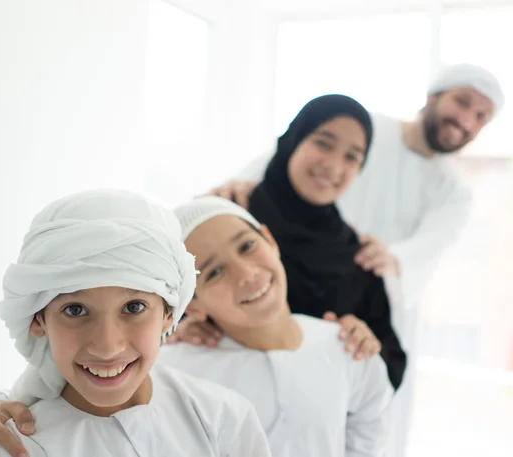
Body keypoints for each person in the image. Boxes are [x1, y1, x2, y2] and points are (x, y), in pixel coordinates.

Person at [207, 63, 505, 457]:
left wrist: (387, 259)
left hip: (358, 287)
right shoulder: (367, 128)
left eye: (481, 116)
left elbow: (430, 246)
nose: (467, 120)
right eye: (462, 102)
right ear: (434, 96)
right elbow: (283, 160)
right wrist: (234, 190)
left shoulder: (454, 192)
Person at [0, 196, 395, 457]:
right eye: (75, 310)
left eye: (133, 307)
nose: (108, 345)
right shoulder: (24, 444)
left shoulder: (224, 412)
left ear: (170, 312)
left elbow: (371, 421)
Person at [172, 94, 407, 391]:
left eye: (352, 156)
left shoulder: (357, 254)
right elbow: (160, 304)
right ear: (294, 139)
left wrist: (362, 347)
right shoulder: (231, 216)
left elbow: (391, 368)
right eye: (323, 142)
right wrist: (179, 328)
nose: (334, 165)